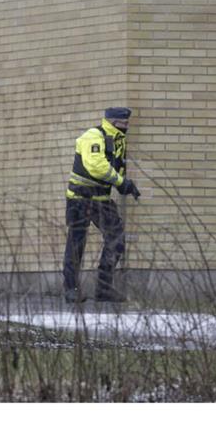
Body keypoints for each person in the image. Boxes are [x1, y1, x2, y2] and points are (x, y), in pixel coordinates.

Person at [62, 107, 141, 303]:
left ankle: (104, 289)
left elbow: (115, 167)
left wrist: (125, 185)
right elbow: (96, 166)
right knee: (76, 244)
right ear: (113, 122)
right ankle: (71, 289)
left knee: (116, 239)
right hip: (79, 198)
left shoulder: (118, 141)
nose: (127, 126)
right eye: (124, 123)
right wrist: (121, 182)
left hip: (101, 200)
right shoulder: (93, 136)